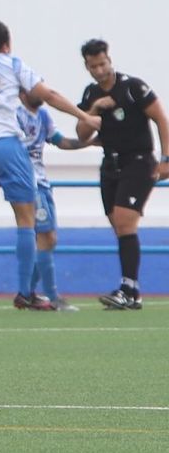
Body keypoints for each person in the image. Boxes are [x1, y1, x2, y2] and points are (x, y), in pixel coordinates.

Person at [0, 21, 97, 314]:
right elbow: (49, 95)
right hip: (7, 145)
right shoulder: (11, 64)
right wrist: (84, 117)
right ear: (7, 44)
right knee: (26, 220)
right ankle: (26, 293)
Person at [75, 39, 169, 310]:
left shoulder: (132, 87)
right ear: (87, 67)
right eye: (94, 66)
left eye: (103, 63)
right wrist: (94, 110)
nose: (100, 70)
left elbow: (161, 118)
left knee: (126, 222)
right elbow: (82, 134)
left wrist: (165, 159)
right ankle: (132, 291)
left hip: (139, 161)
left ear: (109, 60)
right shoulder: (91, 94)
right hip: (110, 165)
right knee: (119, 225)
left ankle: (129, 288)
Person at [18, 89, 93, 311]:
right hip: (28, 183)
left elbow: (60, 141)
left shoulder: (42, 116)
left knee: (49, 240)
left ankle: (26, 294)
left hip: (42, 183)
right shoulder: (14, 115)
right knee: (46, 237)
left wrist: (92, 142)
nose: (41, 91)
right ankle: (52, 297)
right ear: (22, 92)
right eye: (34, 87)